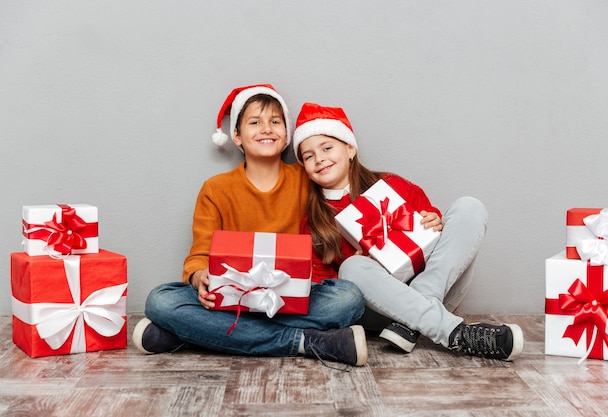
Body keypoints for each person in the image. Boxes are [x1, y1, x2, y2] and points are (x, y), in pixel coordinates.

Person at [132, 85, 367, 367]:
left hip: (294, 298)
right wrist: (199, 277)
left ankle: (195, 334)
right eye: (255, 122)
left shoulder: (308, 177)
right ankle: (307, 342)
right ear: (237, 136)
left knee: (349, 298)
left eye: (275, 122)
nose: (266, 129)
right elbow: (199, 256)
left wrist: (422, 214)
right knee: (161, 301)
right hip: (234, 297)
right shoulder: (216, 189)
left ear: (286, 135)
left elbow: (354, 194)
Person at [293, 102, 523, 361]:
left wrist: (434, 221)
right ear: (303, 166)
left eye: (327, 147)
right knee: (352, 268)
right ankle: (454, 333)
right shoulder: (312, 220)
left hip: (437, 289)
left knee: (469, 207)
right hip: (381, 311)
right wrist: (357, 266)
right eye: (309, 155)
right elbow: (323, 290)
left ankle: (413, 320)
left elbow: (440, 243)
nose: (320, 158)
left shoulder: (391, 185)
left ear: (350, 149)